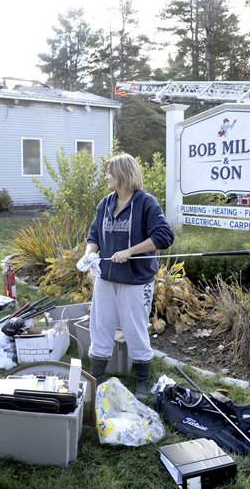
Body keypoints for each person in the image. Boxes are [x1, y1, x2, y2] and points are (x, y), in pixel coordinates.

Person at [80, 154, 174, 401]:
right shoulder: (106, 203)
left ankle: (143, 380)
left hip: (135, 281)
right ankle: (96, 379)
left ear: (122, 174)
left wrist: (130, 252)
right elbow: (94, 237)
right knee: (100, 328)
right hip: (106, 279)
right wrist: (89, 255)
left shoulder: (146, 203)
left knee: (135, 331)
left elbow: (164, 236)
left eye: (109, 172)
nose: (106, 177)